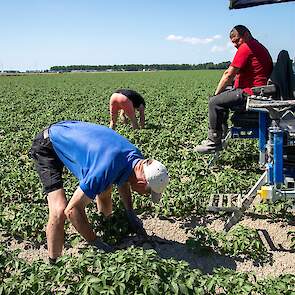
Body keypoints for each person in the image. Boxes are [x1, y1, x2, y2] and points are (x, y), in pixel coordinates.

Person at [29, 121, 169, 263]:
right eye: (147, 192)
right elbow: (72, 211)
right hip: (48, 145)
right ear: (142, 182)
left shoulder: (137, 160)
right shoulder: (106, 168)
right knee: (59, 209)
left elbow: (125, 179)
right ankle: (54, 262)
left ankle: (106, 227)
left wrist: (130, 212)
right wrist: (95, 242)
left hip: (69, 133)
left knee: (105, 188)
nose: (145, 195)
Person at [195, 25, 273, 153]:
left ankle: (214, 141)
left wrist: (216, 95)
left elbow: (228, 75)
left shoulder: (247, 47)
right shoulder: (257, 46)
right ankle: (221, 132)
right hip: (257, 90)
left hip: (252, 93)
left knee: (214, 102)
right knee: (223, 95)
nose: (235, 45)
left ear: (246, 35)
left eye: (237, 40)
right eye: (233, 42)